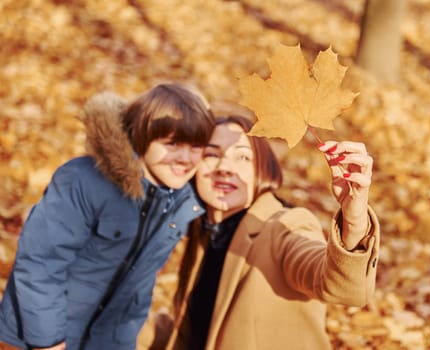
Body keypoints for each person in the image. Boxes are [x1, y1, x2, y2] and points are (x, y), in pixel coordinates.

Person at [0, 82, 215, 350]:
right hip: (35, 337)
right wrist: (47, 341)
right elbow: (40, 264)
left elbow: (137, 290)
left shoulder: (181, 201)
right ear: (143, 138)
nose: (185, 158)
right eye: (172, 143)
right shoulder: (85, 180)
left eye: (196, 147)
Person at [149, 114, 380, 350]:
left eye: (242, 156)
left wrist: (354, 221)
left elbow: (343, 289)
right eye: (212, 154)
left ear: (263, 168)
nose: (225, 168)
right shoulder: (202, 232)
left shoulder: (285, 226)